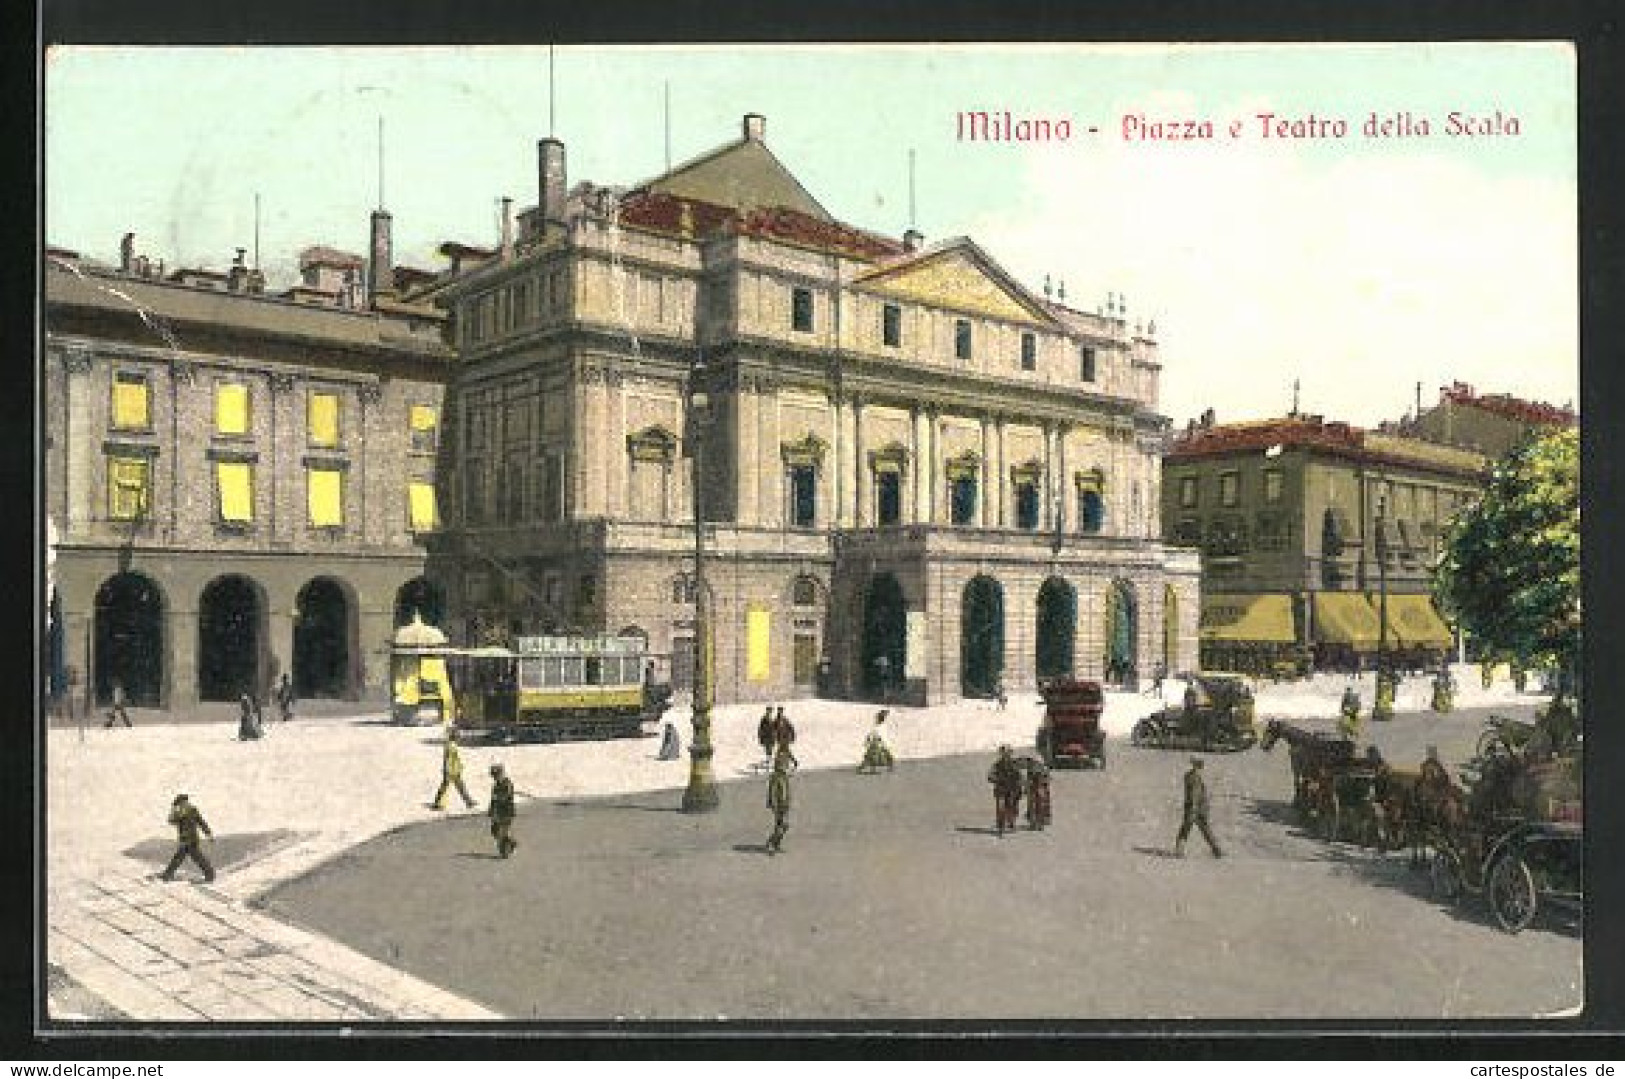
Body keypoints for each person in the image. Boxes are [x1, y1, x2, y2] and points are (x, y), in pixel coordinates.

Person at [1174, 757, 1223, 858]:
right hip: (1196, 808)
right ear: (1196, 766)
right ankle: (1216, 850)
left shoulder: (1192, 776)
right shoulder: (1194, 778)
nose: (1201, 768)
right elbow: (1194, 794)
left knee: (1189, 829)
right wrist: (1194, 806)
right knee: (1199, 829)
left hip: (1195, 807)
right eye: (1200, 766)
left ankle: (1216, 850)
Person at [161, 794, 215, 883]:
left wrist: (173, 810)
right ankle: (210, 874)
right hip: (191, 839)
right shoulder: (192, 810)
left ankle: (167, 875)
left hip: (187, 839)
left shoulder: (181, 812)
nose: (183, 804)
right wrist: (208, 833)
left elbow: (171, 820)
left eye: (180, 803)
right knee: (187, 857)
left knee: (187, 857)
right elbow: (201, 822)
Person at [430, 727, 477, 810]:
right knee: (447, 787)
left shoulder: (451, 745)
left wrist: (459, 766)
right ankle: (437, 803)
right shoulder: (451, 746)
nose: (459, 737)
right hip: (451, 770)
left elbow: (454, 759)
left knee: (458, 786)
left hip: (453, 769)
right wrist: (448, 770)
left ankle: (468, 802)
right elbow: (449, 759)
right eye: (457, 735)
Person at [987, 745, 1024, 836]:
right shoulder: (997, 765)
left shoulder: (1014, 764)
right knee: (1001, 806)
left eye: (1007, 753)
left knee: (1012, 806)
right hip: (1001, 789)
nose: (1006, 755)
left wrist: (1021, 784)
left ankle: (1011, 821)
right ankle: (1000, 826)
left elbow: (1020, 776)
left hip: (1012, 789)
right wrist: (995, 779)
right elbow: (990, 775)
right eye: (1004, 753)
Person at [765, 744, 795, 855]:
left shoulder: (784, 776)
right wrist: (774, 805)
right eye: (784, 764)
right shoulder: (776, 777)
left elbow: (786, 791)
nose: (786, 766)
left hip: (784, 805)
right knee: (781, 825)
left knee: (784, 825)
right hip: (778, 805)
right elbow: (773, 792)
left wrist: (788, 802)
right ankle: (771, 844)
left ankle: (775, 843)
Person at [487, 763, 517, 859]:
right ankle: (510, 844)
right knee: (495, 830)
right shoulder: (496, 785)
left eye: (496, 775)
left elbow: (507, 796)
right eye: (494, 776)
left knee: (502, 831)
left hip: (507, 811)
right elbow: (493, 799)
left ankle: (505, 850)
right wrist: (491, 809)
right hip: (498, 812)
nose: (495, 778)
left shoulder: (507, 783)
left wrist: (499, 797)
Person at [858, 709, 895, 773]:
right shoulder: (878, 727)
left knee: (874, 756)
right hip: (877, 743)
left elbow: (873, 734)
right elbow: (873, 734)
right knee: (873, 756)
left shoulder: (879, 726)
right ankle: (867, 768)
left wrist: (868, 740)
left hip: (878, 743)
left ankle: (868, 768)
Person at [1023, 755, 1052, 830]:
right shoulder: (1033, 769)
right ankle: (1037, 820)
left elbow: (1047, 779)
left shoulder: (1042, 769)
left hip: (1039, 788)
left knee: (1041, 803)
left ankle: (1040, 820)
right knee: (1036, 803)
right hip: (1035, 788)